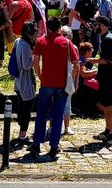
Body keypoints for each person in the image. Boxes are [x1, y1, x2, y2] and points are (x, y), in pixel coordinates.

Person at [29, 17, 78, 160]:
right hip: (62, 84)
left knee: (41, 114)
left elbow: (35, 62)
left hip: (46, 83)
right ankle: (54, 145)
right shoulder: (67, 43)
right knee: (58, 116)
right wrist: (74, 80)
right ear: (59, 27)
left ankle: (36, 143)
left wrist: (40, 76)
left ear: (48, 27)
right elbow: (76, 63)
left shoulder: (40, 41)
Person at [88, 16, 112, 147]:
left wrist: (94, 60)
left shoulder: (108, 39)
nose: (94, 27)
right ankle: (107, 130)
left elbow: (109, 60)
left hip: (109, 78)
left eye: (96, 24)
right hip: (104, 76)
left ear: (102, 25)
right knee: (106, 105)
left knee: (109, 106)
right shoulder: (104, 38)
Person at [13, 21, 38, 147]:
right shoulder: (26, 45)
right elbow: (26, 65)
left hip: (18, 81)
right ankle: (23, 135)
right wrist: (35, 58)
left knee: (21, 107)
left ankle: (21, 132)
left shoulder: (18, 41)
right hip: (25, 81)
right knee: (27, 109)